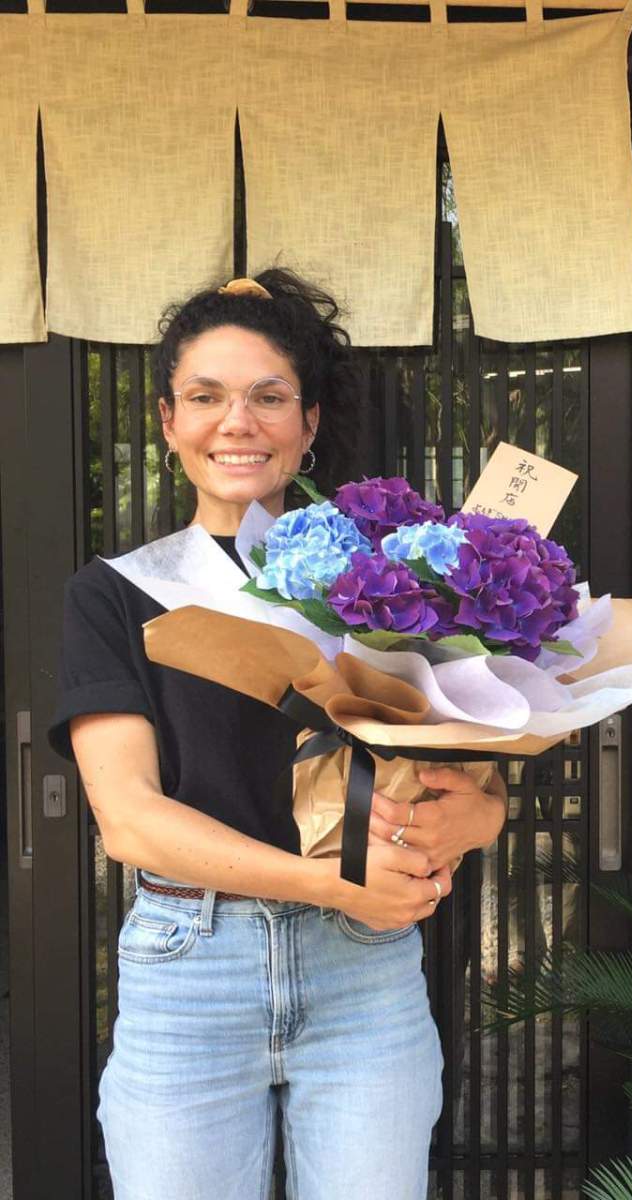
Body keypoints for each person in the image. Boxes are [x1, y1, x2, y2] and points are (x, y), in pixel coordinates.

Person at [47, 268, 507, 1200]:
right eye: (207, 397)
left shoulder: (385, 582)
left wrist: (474, 816)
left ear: (306, 423)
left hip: (364, 979)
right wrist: (333, 886)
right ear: (170, 419)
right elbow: (129, 820)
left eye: (268, 397)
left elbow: (473, 775)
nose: (237, 422)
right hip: (191, 971)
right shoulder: (112, 594)